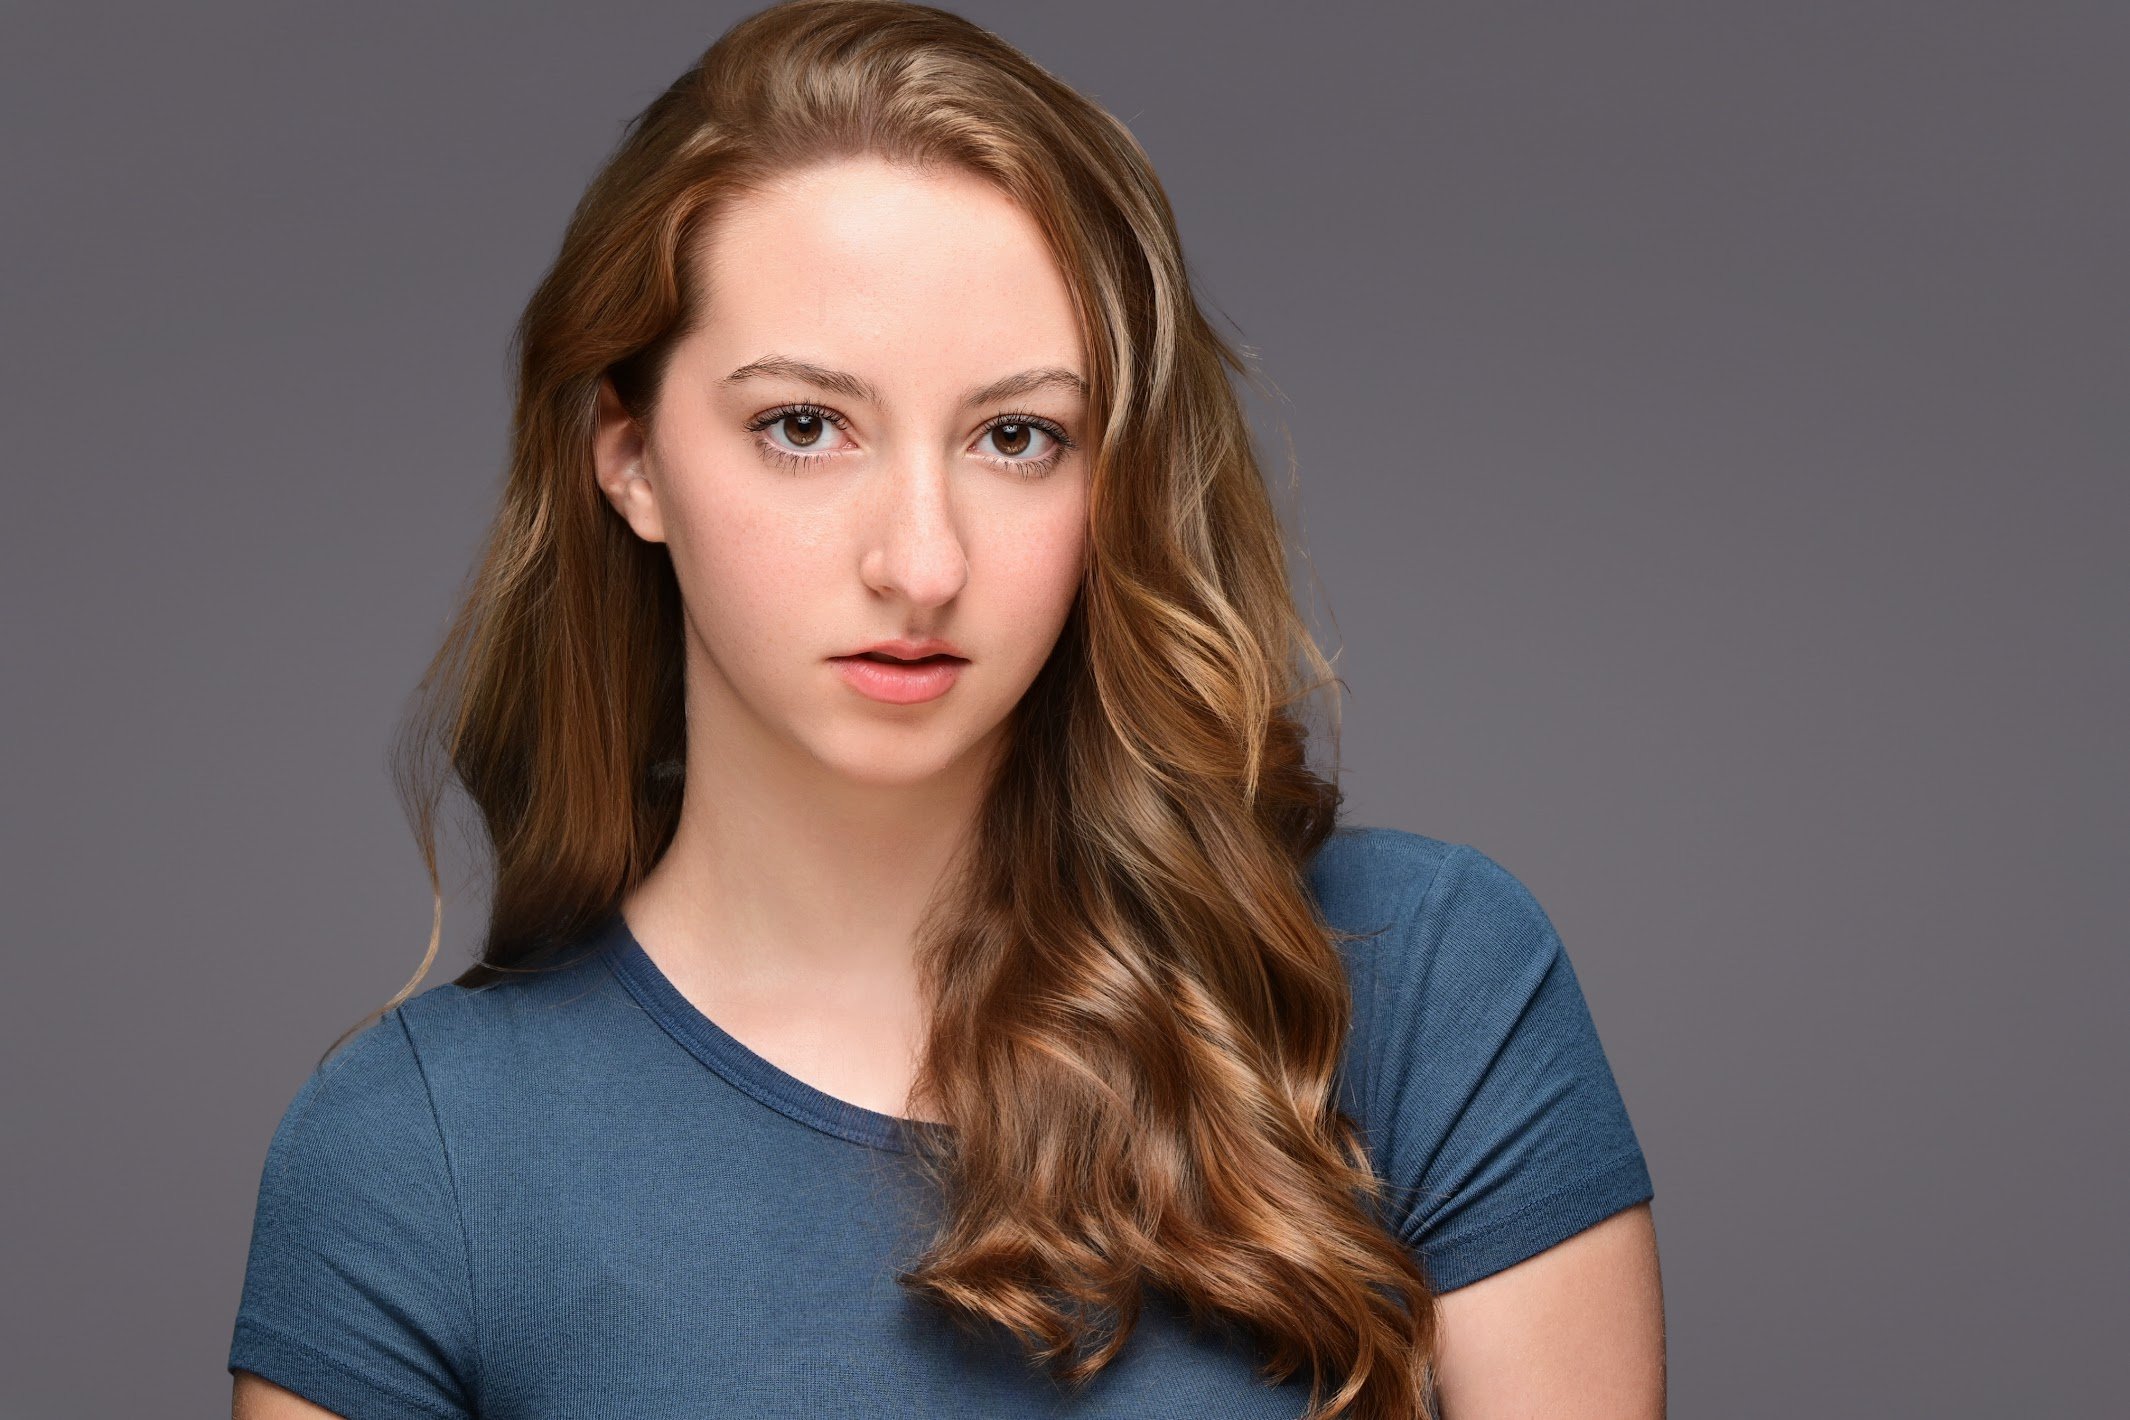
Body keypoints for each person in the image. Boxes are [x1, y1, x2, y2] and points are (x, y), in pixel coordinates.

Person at [226, 3, 1664, 1417]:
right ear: (631, 456)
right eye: (803, 425)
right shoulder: (418, 1156)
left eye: (1016, 437)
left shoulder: (1414, 986)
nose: (920, 562)